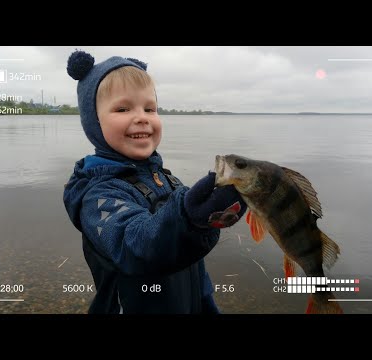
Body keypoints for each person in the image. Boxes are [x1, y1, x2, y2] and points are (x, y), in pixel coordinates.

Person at [63, 50, 247, 314]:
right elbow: (136, 244)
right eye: (123, 108)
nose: (142, 117)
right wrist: (188, 218)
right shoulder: (97, 194)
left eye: (150, 108)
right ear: (94, 121)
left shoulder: (167, 179)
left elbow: (193, 269)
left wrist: (206, 304)